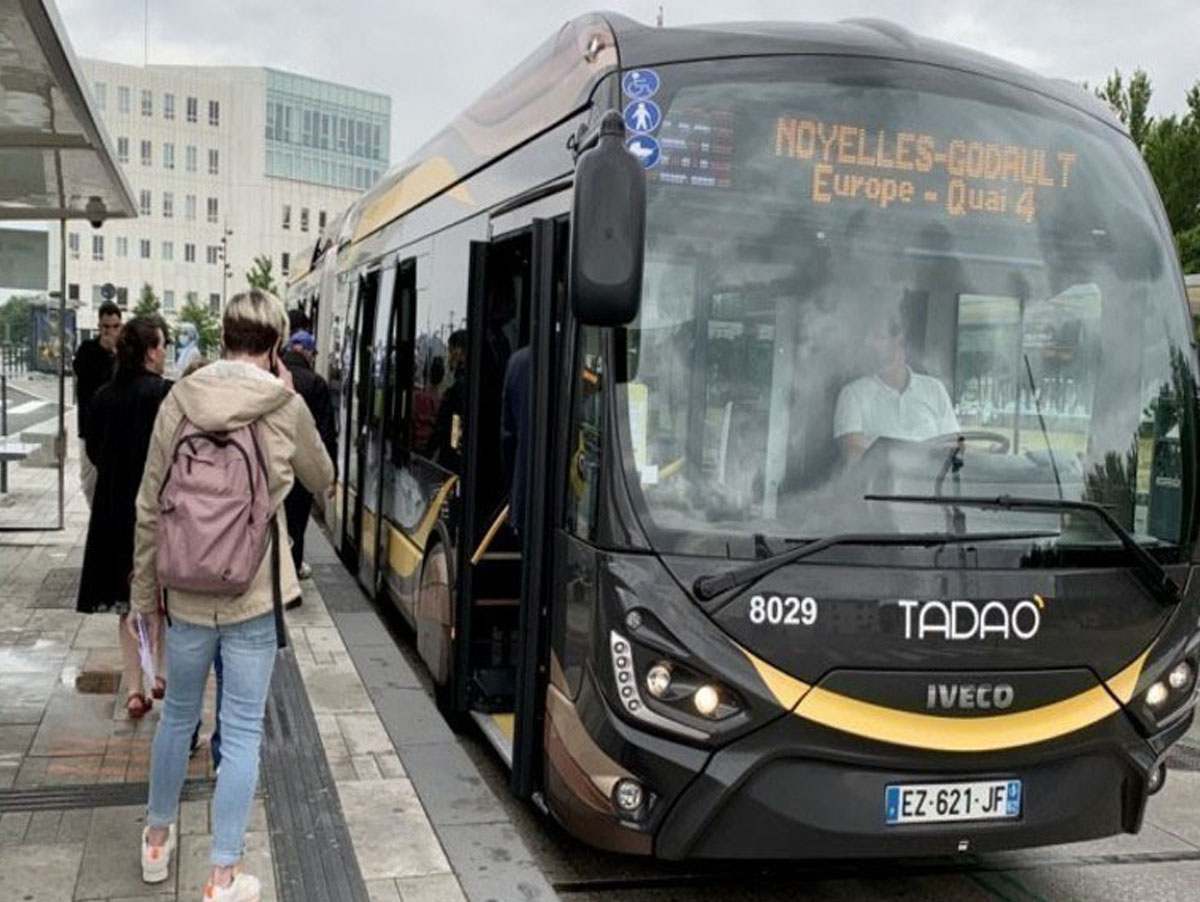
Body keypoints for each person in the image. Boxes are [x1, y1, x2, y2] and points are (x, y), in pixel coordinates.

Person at [130, 290, 333, 900]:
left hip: (186, 595)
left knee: (178, 720)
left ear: (223, 338)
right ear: (275, 346)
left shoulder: (179, 399)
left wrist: (145, 597)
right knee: (242, 730)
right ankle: (222, 875)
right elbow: (322, 476)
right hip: (252, 595)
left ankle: (156, 844)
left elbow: (148, 505)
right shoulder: (284, 403)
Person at [76, 315, 172, 718]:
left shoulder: (103, 397)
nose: (165, 351)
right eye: (163, 344)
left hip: (113, 511)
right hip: (156, 510)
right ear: (152, 349)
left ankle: (134, 689)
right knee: (158, 600)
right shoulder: (166, 395)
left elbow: (95, 451)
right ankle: (159, 677)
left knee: (124, 603)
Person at [833, 315, 960, 461]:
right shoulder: (853, 394)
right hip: (881, 483)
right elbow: (853, 454)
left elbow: (953, 446)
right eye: (867, 337)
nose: (867, 342)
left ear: (900, 341)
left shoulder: (935, 389)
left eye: (877, 337)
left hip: (932, 481)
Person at [281, 329, 337, 589]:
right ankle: (291, 573)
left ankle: (274, 574)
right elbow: (326, 433)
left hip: (274, 464)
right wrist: (330, 474)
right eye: (313, 353)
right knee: (297, 521)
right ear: (304, 350)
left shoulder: (271, 374)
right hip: (302, 468)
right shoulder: (316, 383)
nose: (314, 358)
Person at [71, 301, 122, 506]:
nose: (110, 332)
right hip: (90, 428)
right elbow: (87, 379)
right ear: (99, 326)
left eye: (115, 326)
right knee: (89, 482)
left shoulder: (125, 353)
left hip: (117, 429)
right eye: (106, 326)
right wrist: (105, 353)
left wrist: (117, 355)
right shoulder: (87, 350)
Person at [500, 345, 531, 535]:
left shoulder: (518, 362)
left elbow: (508, 440)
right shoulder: (581, 355)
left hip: (525, 498)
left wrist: (513, 493)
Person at [428, 329, 468, 469]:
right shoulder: (474, 385)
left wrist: (426, 455)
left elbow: (448, 427)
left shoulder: (456, 390)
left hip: (451, 463)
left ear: (458, 352)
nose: (448, 358)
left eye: (450, 351)